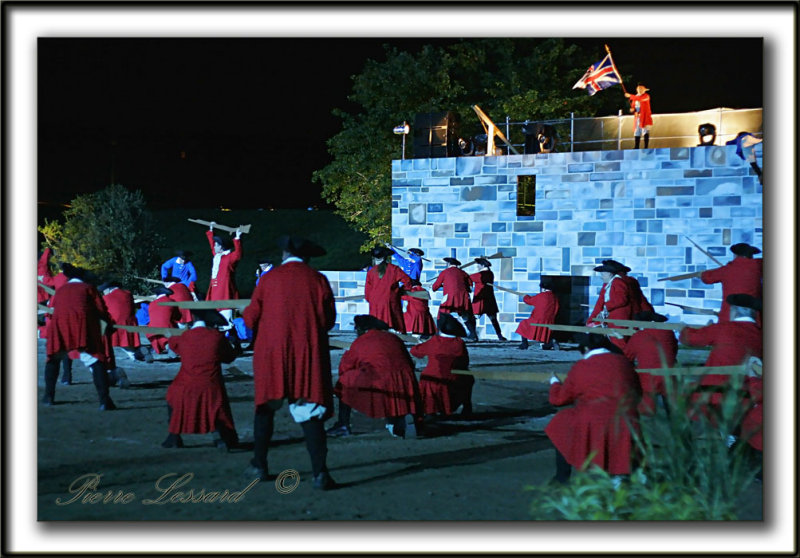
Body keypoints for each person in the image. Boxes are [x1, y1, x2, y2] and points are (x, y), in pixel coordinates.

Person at [243, 235, 337, 490]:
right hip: (307, 352)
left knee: (265, 408)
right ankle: (320, 472)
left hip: (272, 353)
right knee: (310, 412)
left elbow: (251, 318)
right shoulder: (318, 280)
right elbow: (328, 320)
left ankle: (259, 464)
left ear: (284, 254)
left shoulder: (268, 279)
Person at [545, 332, 642, 484]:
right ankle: (620, 476)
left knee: (561, 426)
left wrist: (554, 383)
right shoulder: (624, 363)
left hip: (594, 418)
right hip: (627, 418)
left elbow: (559, 400)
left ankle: (562, 477)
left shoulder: (582, 366)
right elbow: (638, 393)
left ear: (585, 349)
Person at [326, 315, 421, 439]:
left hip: (379, 379)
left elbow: (345, 367)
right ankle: (401, 418)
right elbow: (409, 362)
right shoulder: (393, 338)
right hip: (405, 380)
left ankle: (343, 424)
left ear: (362, 329)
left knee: (345, 382)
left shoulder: (362, 341)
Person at [42, 263, 121, 410]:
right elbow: (101, 309)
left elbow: (53, 308)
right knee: (96, 359)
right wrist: (109, 325)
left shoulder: (61, 290)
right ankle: (104, 401)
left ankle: (48, 397)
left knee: (53, 359)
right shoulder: (88, 288)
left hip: (60, 325)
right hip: (82, 325)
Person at [161, 309, 239, 451]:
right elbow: (230, 357)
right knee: (217, 405)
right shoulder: (217, 337)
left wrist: (170, 335)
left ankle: (173, 436)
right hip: (210, 383)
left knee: (172, 395)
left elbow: (175, 346)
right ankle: (221, 438)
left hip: (186, 383)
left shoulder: (184, 337)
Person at [678, 294, 762, 421]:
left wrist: (683, 329)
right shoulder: (760, 334)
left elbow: (690, 339)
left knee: (683, 390)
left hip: (714, 394)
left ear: (734, 311)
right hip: (747, 395)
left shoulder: (723, 328)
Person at [411, 313, 473, 418]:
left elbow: (415, 351)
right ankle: (467, 406)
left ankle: (430, 410)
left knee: (427, 378)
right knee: (468, 377)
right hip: (455, 378)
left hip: (432, 379)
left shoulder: (435, 341)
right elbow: (464, 361)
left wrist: (423, 343)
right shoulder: (459, 343)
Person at [623, 310, 679, 415]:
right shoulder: (669, 333)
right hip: (669, 375)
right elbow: (674, 351)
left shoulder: (639, 336)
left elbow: (627, 357)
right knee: (673, 411)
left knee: (646, 411)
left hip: (648, 379)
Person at [700, 243, 762, 326]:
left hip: (729, 317)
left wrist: (702, 274)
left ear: (735, 255)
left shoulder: (727, 269)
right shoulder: (758, 265)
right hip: (754, 318)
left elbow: (706, 278)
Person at [586, 262, 633, 350]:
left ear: (609, 274)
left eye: (603, 274)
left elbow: (621, 299)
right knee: (614, 340)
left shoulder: (618, 282)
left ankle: (622, 360)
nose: (601, 276)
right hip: (615, 317)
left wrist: (606, 307)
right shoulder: (613, 282)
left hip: (619, 318)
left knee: (619, 341)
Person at [364, 246, 412, 333]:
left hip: (375, 302)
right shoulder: (394, 269)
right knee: (395, 325)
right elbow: (408, 282)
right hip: (390, 300)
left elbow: (367, 293)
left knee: (376, 326)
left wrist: (371, 299)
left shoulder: (371, 272)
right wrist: (400, 291)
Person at [431, 257, 478, 342]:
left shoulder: (445, 272)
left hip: (449, 297)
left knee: (441, 314)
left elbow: (434, 287)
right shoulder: (464, 273)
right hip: (463, 297)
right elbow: (470, 288)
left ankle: (438, 334)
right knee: (466, 316)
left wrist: (441, 285)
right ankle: (473, 335)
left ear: (448, 264)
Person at [99, 280, 147, 362]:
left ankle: (134, 354)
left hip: (116, 323)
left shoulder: (106, 298)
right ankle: (138, 350)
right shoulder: (128, 294)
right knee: (129, 341)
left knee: (117, 341)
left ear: (108, 289)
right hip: (131, 322)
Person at [206, 223, 243, 325]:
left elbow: (238, 254)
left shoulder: (229, 257)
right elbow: (211, 245)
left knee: (226, 318)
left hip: (224, 292)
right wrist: (211, 230)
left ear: (221, 247)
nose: (214, 246)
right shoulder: (217, 256)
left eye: (216, 245)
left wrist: (237, 238)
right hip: (215, 291)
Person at [515, 277, 560, 350]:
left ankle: (524, 344)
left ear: (543, 288)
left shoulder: (541, 296)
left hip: (537, 319)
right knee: (545, 333)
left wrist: (525, 296)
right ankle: (550, 343)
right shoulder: (554, 297)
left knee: (523, 324)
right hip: (549, 320)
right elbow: (556, 308)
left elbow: (529, 301)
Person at [469, 258, 507, 341]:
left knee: (472, 318)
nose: (477, 267)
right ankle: (499, 335)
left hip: (481, 299)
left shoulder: (480, 275)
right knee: (493, 319)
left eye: (478, 265)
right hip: (490, 299)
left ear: (482, 265)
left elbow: (469, 278)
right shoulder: (491, 274)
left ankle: (473, 335)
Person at [145, 285, 179, 356]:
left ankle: (155, 349)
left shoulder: (151, 304)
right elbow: (177, 316)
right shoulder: (172, 302)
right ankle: (171, 346)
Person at [624, 83, 653, 149]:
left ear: (644, 90)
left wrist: (630, 96)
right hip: (637, 117)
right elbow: (633, 107)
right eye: (638, 89)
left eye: (641, 89)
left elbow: (640, 99)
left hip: (644, 116)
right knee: (637, 131)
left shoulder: (646, 96)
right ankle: (636, 146)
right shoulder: (635, 98)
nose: (639, 90)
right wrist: (633, 110)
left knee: (645, 130)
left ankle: (646, 147)